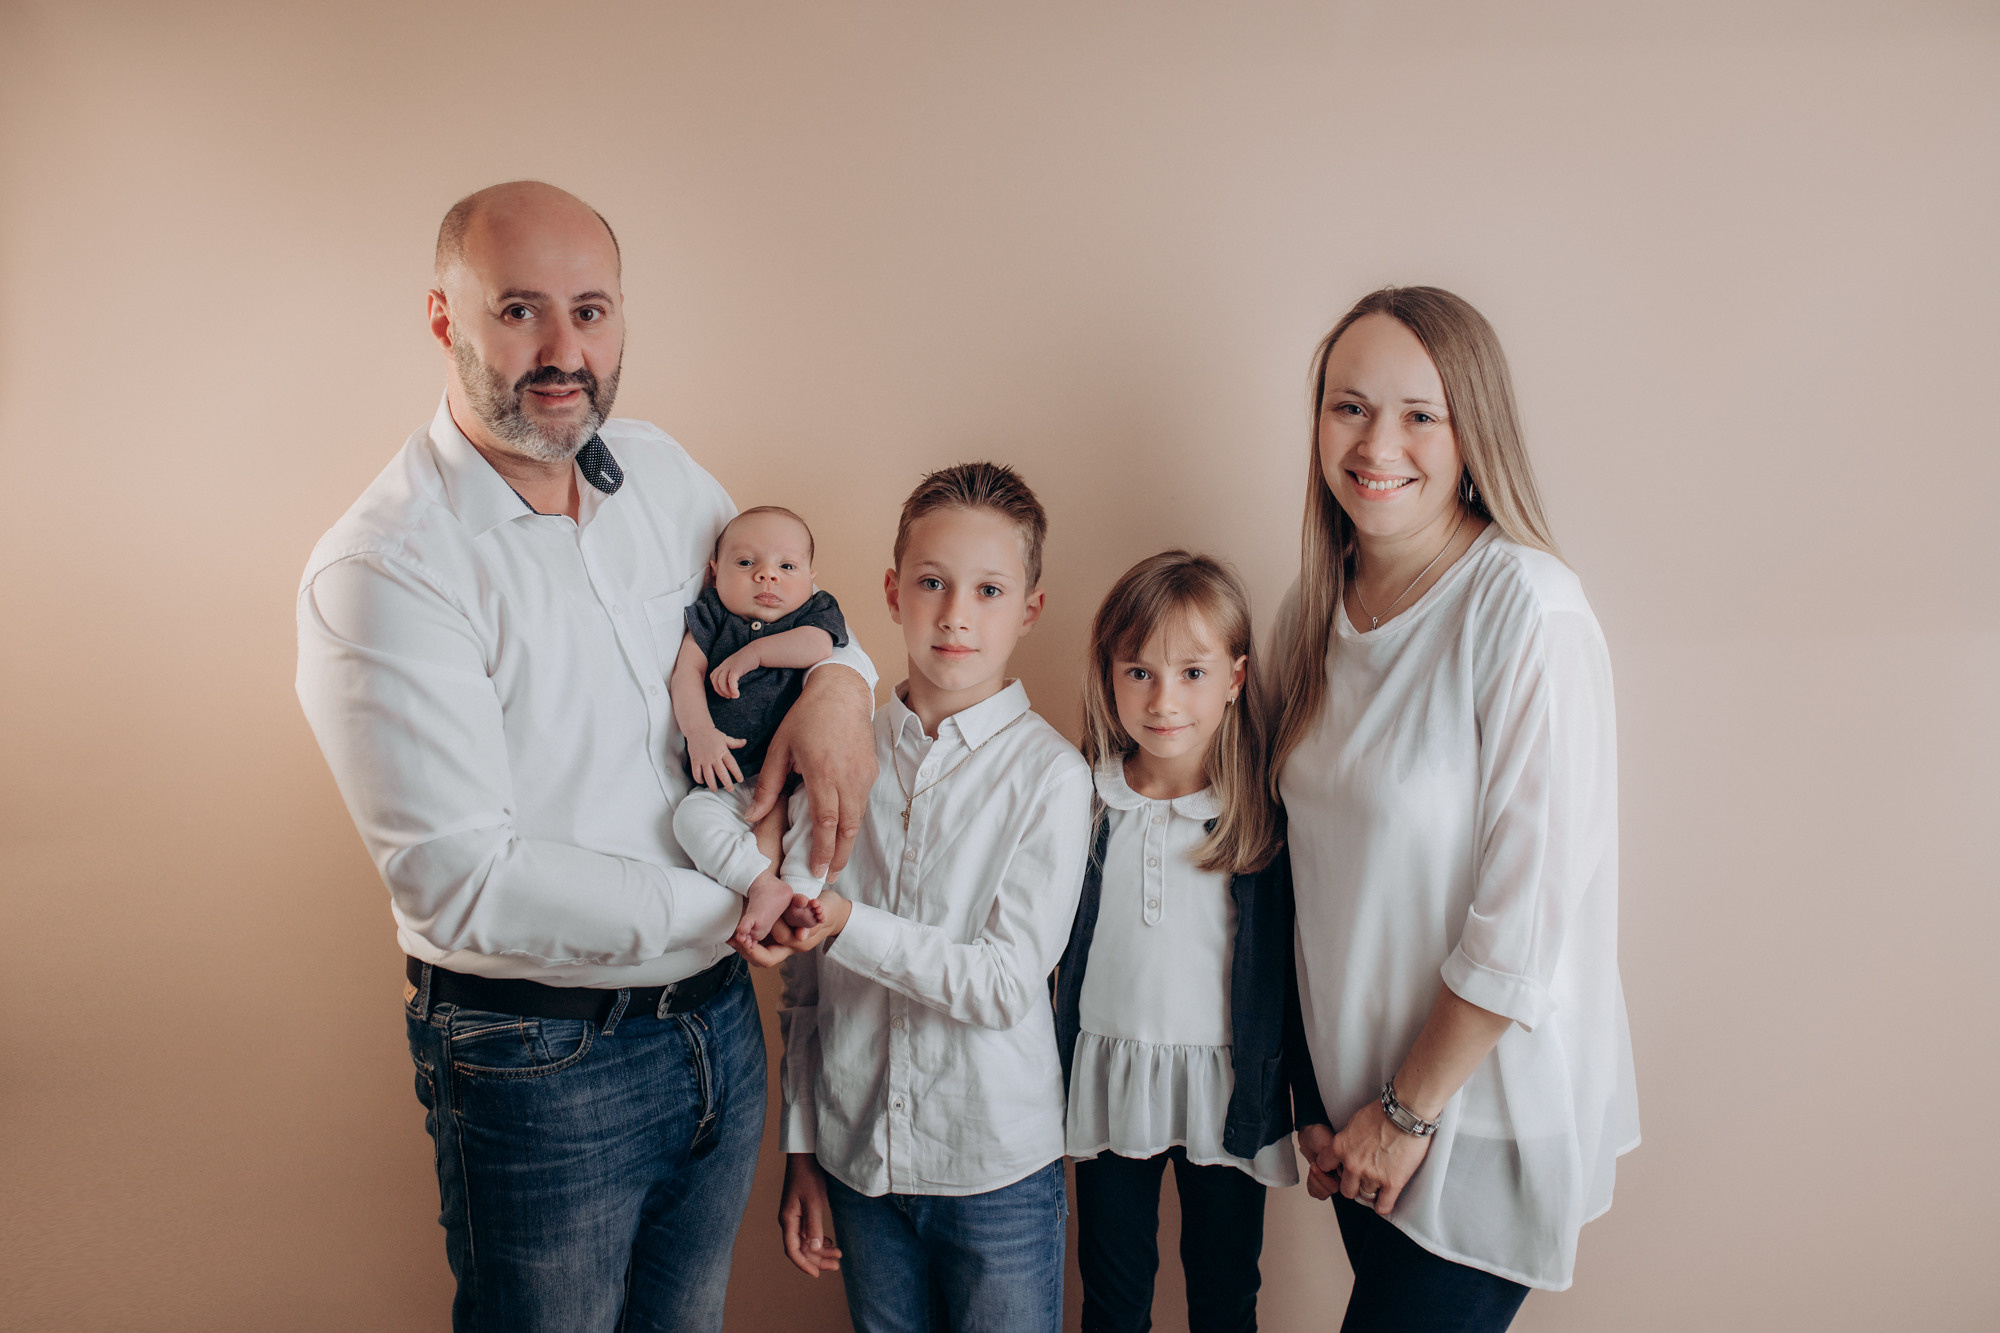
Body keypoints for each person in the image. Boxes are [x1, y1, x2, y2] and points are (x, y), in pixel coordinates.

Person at [293, 180, 878, 1333]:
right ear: (443, 319)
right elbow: (465, 883)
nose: (564, 352)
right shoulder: (384, 568)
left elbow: (789, 616)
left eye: (591, 311)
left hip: (719, 1023)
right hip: (540, 1059)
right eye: (519, 311)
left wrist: (842, 688)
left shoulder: (663, 473)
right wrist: (743, 903)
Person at [1271, 286, 1639, 1328]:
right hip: (1353, 1112)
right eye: (1348, 407)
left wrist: (1406, 1112)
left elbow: (1524, 916)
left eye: (1419, 414)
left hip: (1466, 1112)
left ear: (1472, 431)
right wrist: (1305, 1091)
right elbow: (1296, 869)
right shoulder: (1312, 610)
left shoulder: (1526, 606)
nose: (1376, 443)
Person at [771, 462, 1093, 1333]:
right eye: (932, 583)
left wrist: (846, 923)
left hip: (994, 1170)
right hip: (857, 1160)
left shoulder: (1053, 777)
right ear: (892, 591)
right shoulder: (841, 747)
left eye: (989, 589)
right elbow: (803, 985)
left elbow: (1003, 984)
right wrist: (801, 1146)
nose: (956, 614)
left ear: (1029, 608)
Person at [1052, 551, 1319, 1333]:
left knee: (1227, 1298)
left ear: (1236, 677)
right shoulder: (1082, 799)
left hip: (1225, 1090)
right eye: (1139, 672)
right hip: (1108, 1078)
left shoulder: (1262, 813)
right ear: (1109, 675)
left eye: (1192, 673)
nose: (1164, 700)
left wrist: (1305, 1100)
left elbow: (1297, 977)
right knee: (1113, 1298)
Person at [670, 504, 849, 945]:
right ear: (714, 572)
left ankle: (802, 893)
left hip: (797, 775)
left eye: (787, 566)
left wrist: (754, 653)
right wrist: (700, 733)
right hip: (728, 777)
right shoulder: (713, 614)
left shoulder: (812, 612)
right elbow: (686, 673)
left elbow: (818, 645)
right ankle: (760, 884)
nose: (767, 575)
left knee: (818, 814)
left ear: (810, 577)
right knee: (689, 819)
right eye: (746, 562)